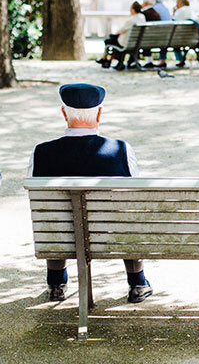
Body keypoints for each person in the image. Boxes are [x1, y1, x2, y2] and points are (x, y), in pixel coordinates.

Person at [27, 84, 153, 304]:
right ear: (100, 113)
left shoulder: (41, 152)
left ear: (64, 113)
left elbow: (38, 199)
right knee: (129, 214)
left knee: (54, 218)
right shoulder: (121, 150)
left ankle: (56, 283)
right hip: (112, 236)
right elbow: (134, 194)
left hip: (62, 237)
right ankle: (137, 282)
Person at [96, 2, 145, 70]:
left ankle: (105, 59)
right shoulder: (142, 17)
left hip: (126, 43)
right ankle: (107, 60)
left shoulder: (131, 20)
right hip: (137, 42)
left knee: (109, 40)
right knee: (112, 40)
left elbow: (120, 31)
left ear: (133, 10)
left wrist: (115, 34)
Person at [150, 0, 172, 68]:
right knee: (164, 38)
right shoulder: (165, 8)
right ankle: (162, 60)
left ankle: (149, 61)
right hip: (168, 36)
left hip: (159, 36)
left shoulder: (154, 9)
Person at [138, 0, 162, 69]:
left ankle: (134, 61)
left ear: (145, 4)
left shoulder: (143, 14)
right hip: (157, 39)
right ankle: (149, 61)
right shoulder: (157, 13)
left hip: (146, 39)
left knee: (139, 38)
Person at [172, 0, 194, 67]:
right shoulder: (190, 10)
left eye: (177, 2)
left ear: (181, 3)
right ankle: (181, 59)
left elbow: (174, 21)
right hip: (191, 37)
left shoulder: (180, 11)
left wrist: (174, 13)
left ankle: (180, 59)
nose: (176, 4)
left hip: (181, 37)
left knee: (173, 41)